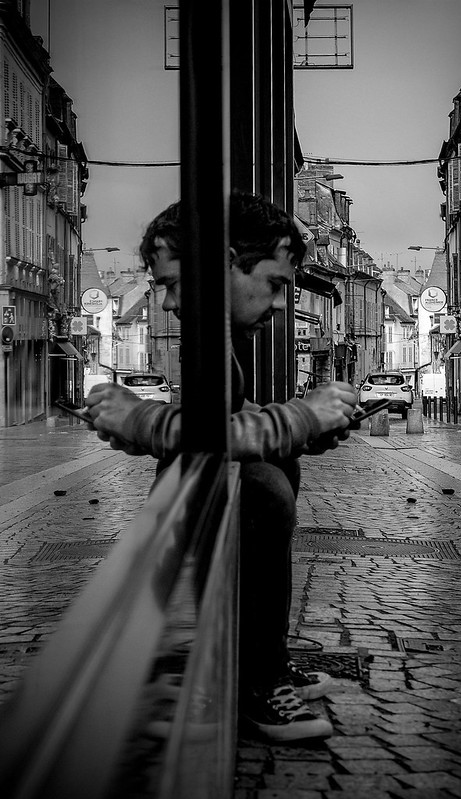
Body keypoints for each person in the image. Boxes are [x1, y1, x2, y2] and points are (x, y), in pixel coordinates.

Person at [86, 192, 358, 742]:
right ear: (225, 265)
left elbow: (225, 423)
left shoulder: (219, 341)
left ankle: (264, 664)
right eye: (274, 284)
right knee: (261, 486)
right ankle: (253, 683)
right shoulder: (206, 342)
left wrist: (304, 429)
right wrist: (301, 418)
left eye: (171, 284)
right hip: (204, 506)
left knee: (272, 470)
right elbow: (210, 436)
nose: (167, 304)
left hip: (202, 503)